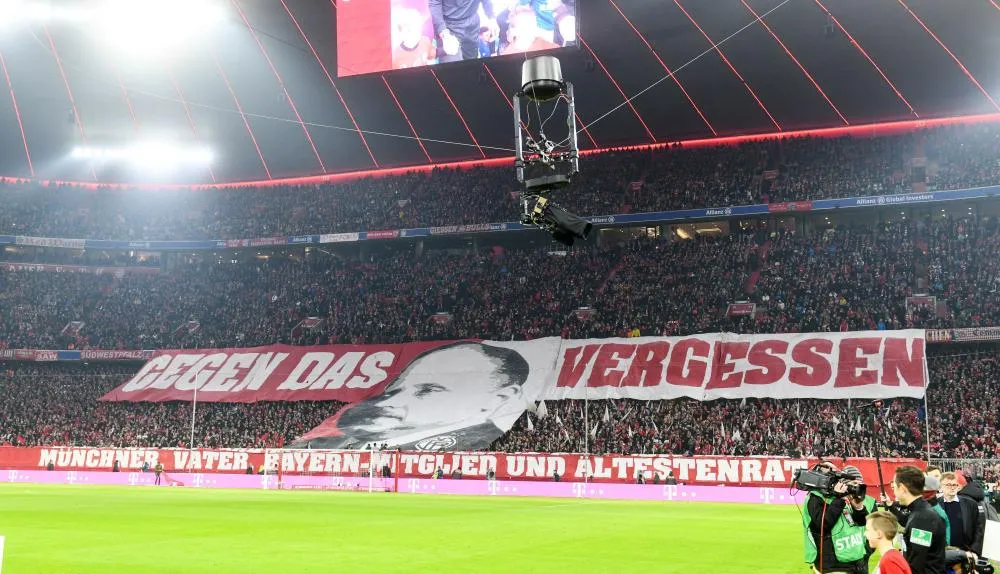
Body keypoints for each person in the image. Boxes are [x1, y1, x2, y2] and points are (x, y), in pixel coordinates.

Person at [294, 342, 531, 451]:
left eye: (428, 389)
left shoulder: (469, 442)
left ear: (497, 398)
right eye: (396, 388)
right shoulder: (323, 443)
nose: (391, 401)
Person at [803, 463, 871, 574]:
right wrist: (840, 499)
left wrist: (859, 508)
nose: (855, 488)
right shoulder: (816, 498)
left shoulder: (846, 497)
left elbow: (862, 523)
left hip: (857, 560)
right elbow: (823, 525)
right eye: (853, 484)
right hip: (834, 565)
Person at [892, 465, 946, 574]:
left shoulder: (922, 518)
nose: (893, 491)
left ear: (902, 488)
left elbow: (917, 564)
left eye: (894, 487)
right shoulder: (921, 511)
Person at [429, 0, 496, 62]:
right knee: (451, 66)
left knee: (471, 61)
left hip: (471, 25)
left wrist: (491, 18)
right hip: (448, 26)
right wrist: (442, 30)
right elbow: (435, 3)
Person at [940, 472, 985, 557]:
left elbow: (978, 529)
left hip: (966, 552)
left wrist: (974, 551)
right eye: (948, 485)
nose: (952, 488)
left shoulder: (970, 504)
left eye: (954, 485)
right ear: (941, 487)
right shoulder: (935, 505)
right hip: (943, 553)